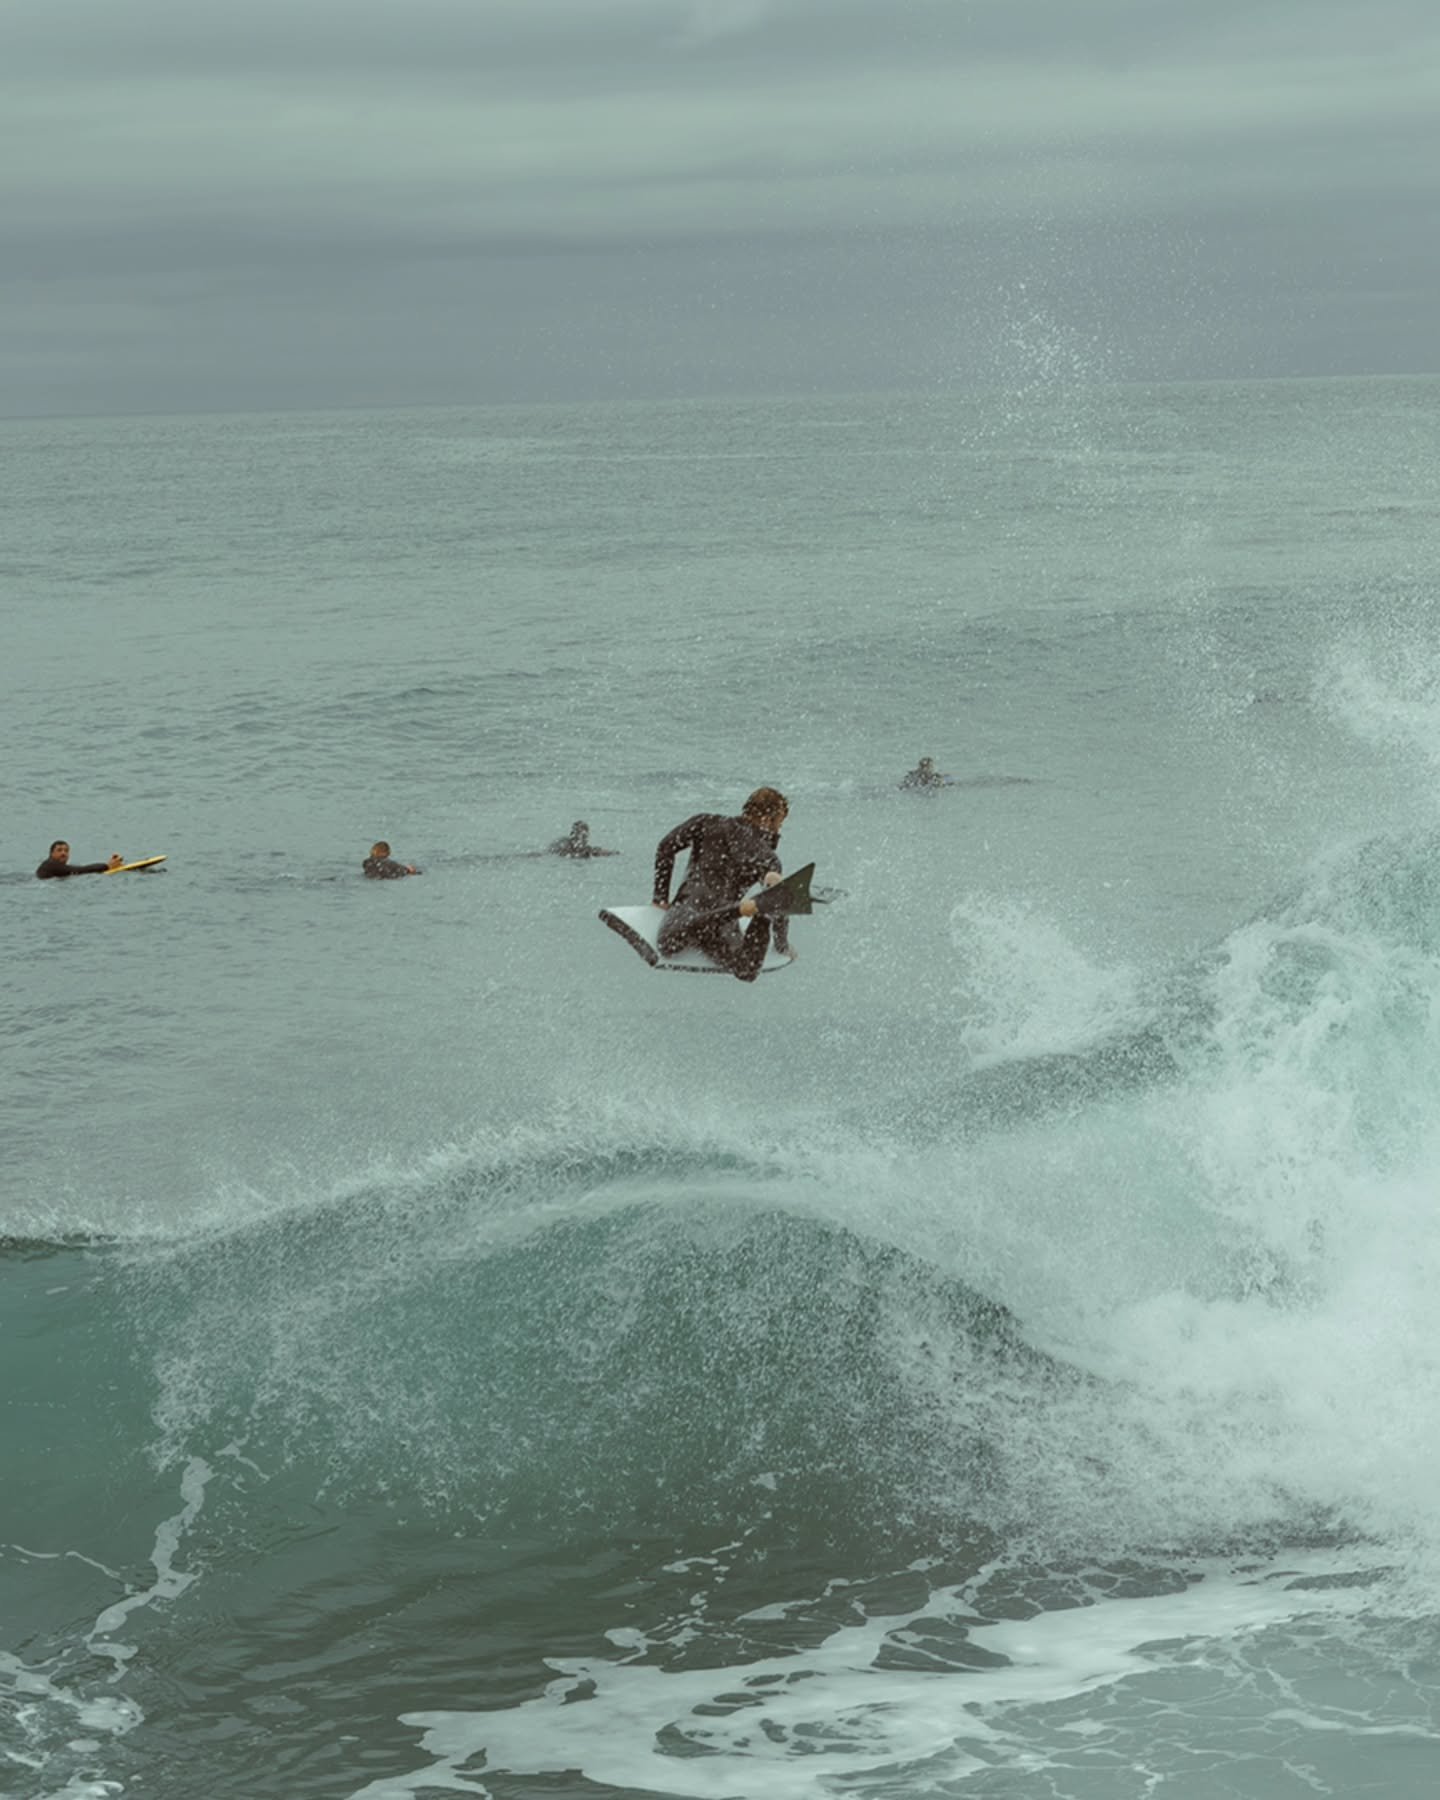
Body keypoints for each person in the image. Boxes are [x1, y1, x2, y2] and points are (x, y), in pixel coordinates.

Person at [652, 787, 794, 981]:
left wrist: (660, 898)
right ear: (769, 819)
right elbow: (778, 896)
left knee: (668, 945)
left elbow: (666, 847)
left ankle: (740, 910)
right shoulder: (768, 858)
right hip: (723, 925)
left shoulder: (705, 822)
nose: (778, 830)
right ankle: (756, 914)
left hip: (688, 910)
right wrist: (781, 944)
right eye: (780, 823)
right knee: (747, 970)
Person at [35, 840, 124, 878]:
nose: (63, 853)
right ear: (51, 854)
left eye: (66, 851)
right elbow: (81, 870)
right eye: (59, 850)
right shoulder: (50, 865)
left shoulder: (58, 868)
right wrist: (107, 866)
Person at [547, 820, 617, 858]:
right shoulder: (564, 844)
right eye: (578, 835)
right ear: (572, 835)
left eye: (584, 837)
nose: (582, 839)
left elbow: (598, 851)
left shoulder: (586, 848)